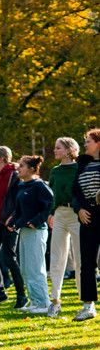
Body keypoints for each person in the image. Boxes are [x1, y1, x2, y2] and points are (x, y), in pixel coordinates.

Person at [6, 156, 53, 314]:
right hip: (24, 231)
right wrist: (13, 220)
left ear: (32, 169)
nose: (18, 168)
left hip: (36, 231)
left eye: (22, 166)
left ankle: (43, 303)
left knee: (36, 268)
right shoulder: (21, 186)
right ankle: (34, 301)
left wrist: (36, 221)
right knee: (25, 269)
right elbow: (20, 210)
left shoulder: (39, 186)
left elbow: (50, 204)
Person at [0, 146, 27, 308]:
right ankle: (1, 293)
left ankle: (22, 296)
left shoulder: (14, 176)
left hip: (8, 223)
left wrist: (14, 216)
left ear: (1, 159)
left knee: (9, 259)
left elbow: (20, 199)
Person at [46, 137, 81, 317]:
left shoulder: (78, 169)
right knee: (57, 258)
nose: (55, 150)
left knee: (81, 259)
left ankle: (86, 302)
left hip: (77, 215)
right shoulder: (55, 171)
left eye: (58, 148)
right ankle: (55, 301)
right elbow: (53, 196)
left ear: (69, 150)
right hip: (59, 214)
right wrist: (51, 212)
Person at [71, 129, 100, 321]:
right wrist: (79, 209)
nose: (85, 145)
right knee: (86, 263)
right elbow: (74, 192)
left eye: (88, 141)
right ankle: (88, 305)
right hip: (87, 216)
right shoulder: (82, 165)